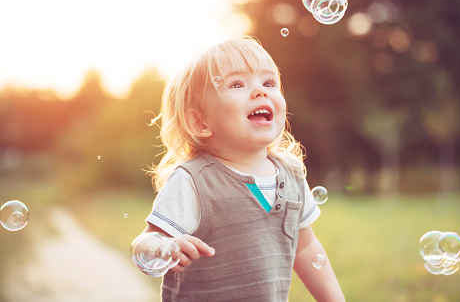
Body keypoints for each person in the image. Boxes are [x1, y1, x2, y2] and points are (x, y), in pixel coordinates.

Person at [140, 36, 345, 301]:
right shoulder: (194, 182)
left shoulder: (292, 175)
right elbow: (145, 245)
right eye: (237, 84)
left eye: (269, 82)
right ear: (200, 122)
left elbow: (306, 250)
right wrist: (166, 247)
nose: (261, 91)